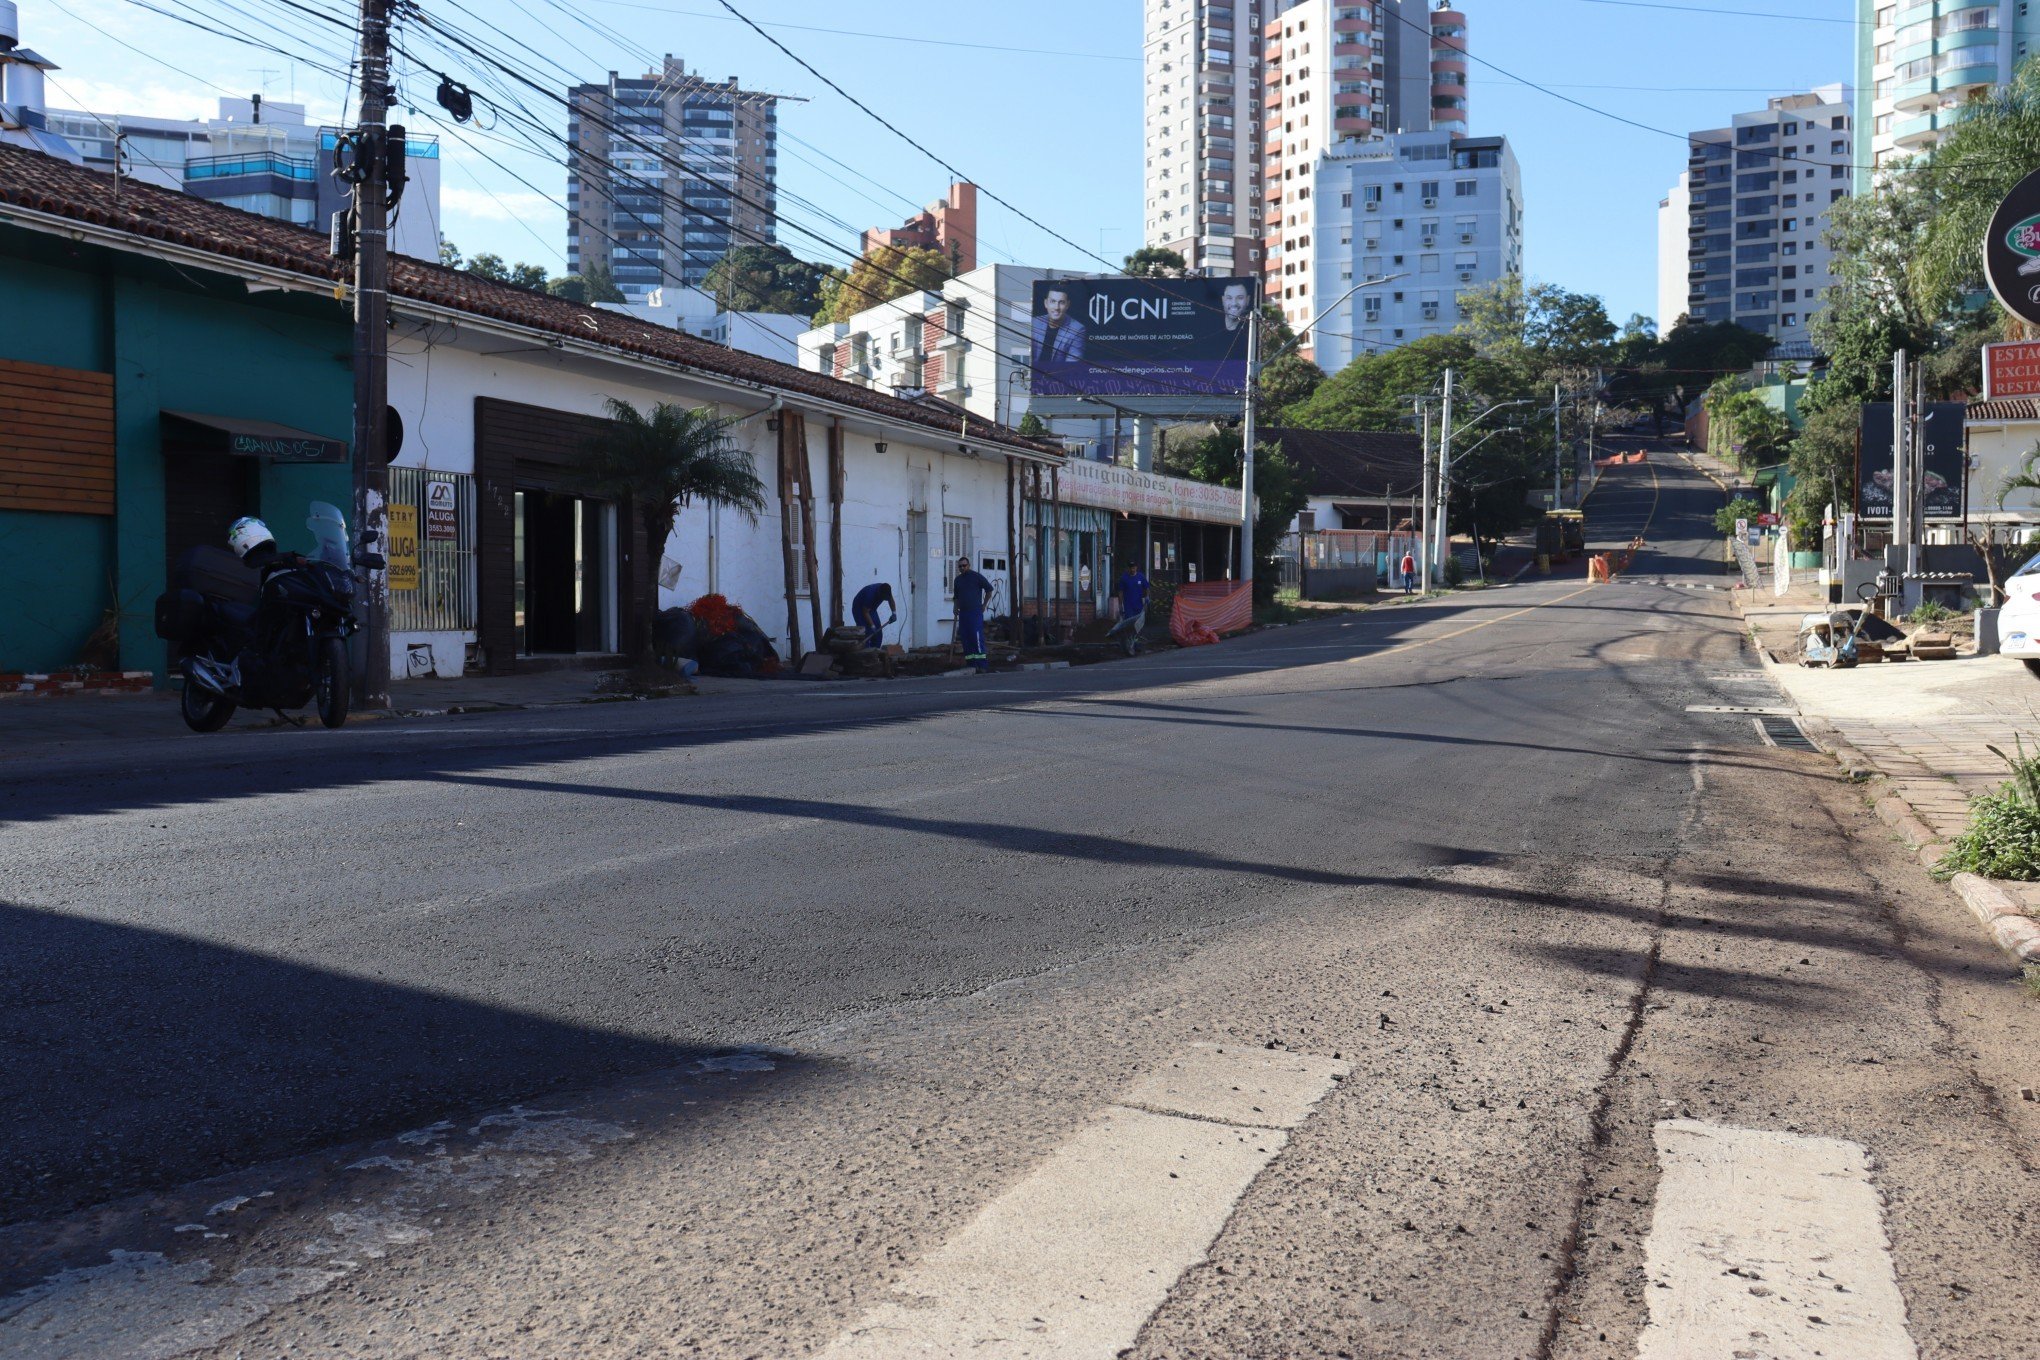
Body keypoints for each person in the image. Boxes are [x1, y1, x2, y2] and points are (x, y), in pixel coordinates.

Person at [952, 555, 994, 673]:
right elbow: (956, 597)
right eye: (960, 566)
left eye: (964, 565)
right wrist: (955, 607)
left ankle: (982, 665)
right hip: (963, 613)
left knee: (976, 637)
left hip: (975, 612)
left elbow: (989, 590)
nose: (962, 568)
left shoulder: (976, 577)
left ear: (968, 566)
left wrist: (984, 605)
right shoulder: (958, 580)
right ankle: (971, 663)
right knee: (966, 638)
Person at [1031, 286, 1086, 369]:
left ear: (1067, 305)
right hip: (1034, 377)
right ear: (1046, 303)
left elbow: (1072, 366)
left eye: (1061, 302)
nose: (1056, 307)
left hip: (1059, 379)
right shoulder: (1035, 323)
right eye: (1053, 301)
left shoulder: (1078, 329)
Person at [1107, 561, 1150, 653]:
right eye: (1130, 567)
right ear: (1128, 568)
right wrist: (1120, 604)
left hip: (1138, 605)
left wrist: (1147, 597)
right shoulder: (1124, 578)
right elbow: (1121, 592)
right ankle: (1130, 643)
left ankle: (1137, 643)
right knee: (1130, 626)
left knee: (1138, 626)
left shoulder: (1141, 577)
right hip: (1128, 606)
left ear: (1136, 568)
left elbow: (1146, 587)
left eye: (1133, 567)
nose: (1132, 569)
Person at [851, 581, 897, 649]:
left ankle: (875, 652)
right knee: (865, 632)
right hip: (859, 609)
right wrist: (872, 626)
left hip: (871, 609)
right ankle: (864, 653)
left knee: (878, 632)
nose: (884, 599)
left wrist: (894, 613)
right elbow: (865, 612)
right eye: (883, 598)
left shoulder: (886, 590)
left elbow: (891, 600)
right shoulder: (870, 594)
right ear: (879, 593)